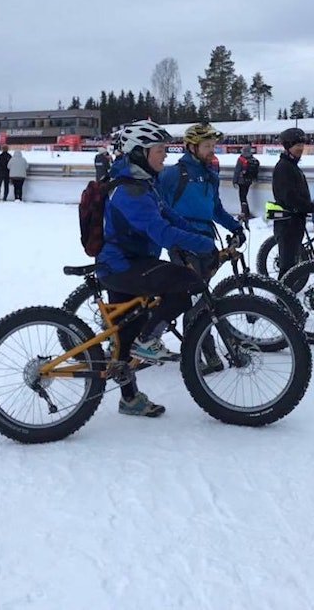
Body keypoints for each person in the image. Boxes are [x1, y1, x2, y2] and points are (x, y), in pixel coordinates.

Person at [97, 120, 216, 416]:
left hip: (126, 264)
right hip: (122, 266)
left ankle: (129, 398)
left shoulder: (143, 183)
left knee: (127, 333)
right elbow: (161, 232)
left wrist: (197, 235)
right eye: (160, 149)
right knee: (188, 283)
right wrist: (203, 245)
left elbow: (170, 215)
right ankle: (149, 340)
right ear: (140, 152)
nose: (165, 154)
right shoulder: (129, 192)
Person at [158, 122, 246, 374]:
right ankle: (201, 355)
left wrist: (235, 227)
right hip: (183, 243)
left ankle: (204, 352)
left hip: (206, 241)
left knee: (201, 299)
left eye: (213, 146)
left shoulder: (210, 175)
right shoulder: (173, 174)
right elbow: (157, 204)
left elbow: (215, 209)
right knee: (195, 302)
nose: (212, 150)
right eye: (207, 146)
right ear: (191, 147)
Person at [271, 127, 314, 279]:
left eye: (302, 145)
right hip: (288, 222)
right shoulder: (284, 167)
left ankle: (285, 296)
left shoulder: (291, 166)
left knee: (291, 263)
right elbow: (290, 197)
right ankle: (282, 299)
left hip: (293, 221)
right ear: (288, 146)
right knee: (287, 266)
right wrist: (312, 208)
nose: (301, 148)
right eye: (297, 145)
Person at [232, 145, 260, 219]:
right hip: (249, 181)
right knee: (244, 196)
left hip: (241, 181)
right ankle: (246, 212)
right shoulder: (253, 159)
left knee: (242, 197)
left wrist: (234, 181)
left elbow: (237, 171)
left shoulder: (241, 159)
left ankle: (244, 213)